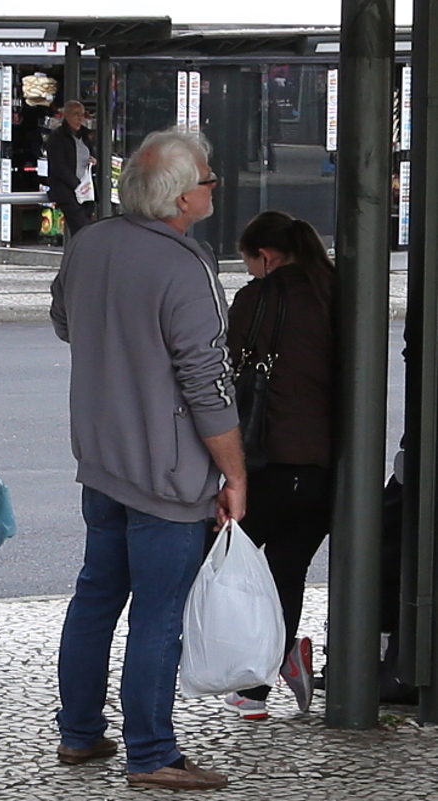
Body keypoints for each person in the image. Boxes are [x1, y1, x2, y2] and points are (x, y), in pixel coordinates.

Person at [50, 128, 242, 791]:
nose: (215, 185)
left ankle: (78, 732)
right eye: (209, 178)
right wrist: (236, 473)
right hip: (166, 471)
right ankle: (152, 751)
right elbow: (208, 380)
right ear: (184, 197)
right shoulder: (187, 265)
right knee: (159, 612)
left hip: (101, 461)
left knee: (96, 594)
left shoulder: (90, 243)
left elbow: (65, 321)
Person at [221, 211, 336, 720]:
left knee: (225, 565)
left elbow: (220, 368)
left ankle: (260, 671)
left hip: (270, 460)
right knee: (286, 571)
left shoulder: (259, 298)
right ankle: (259, 686)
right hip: (327, 468)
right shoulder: (335, 292)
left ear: (264, 257)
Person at [43, 100, 95, 238]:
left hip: (85, 191)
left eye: (82, 115)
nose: (80, 118)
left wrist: (93, 162)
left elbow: (91, 155)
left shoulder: (85, 136)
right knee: (81, 230)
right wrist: (77, 185)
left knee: (88, 227)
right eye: (76, 114)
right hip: (67, 191)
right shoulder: (57, 138)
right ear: (66, 115)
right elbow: (58, 167)